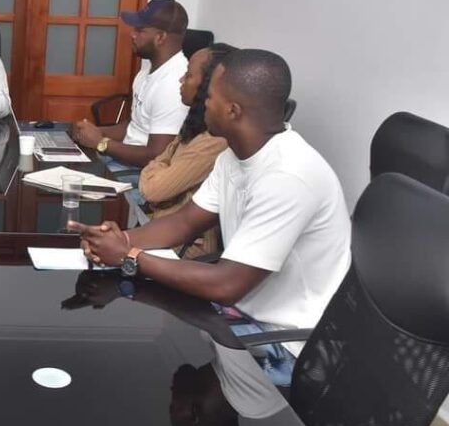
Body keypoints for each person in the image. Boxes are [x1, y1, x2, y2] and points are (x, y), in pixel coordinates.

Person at [71, 49, 351, 357]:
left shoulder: (289, 176)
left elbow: (226, 285)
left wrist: (129, 256)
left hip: (284, 342)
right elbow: (185, 222)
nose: (203, 101)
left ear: (233, 111)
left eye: (211, 96)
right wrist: (118, 239)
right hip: (240, 313)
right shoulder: (235, 155)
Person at [138, 43, 236, 257]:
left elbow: (153, 189)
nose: (181, 80)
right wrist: (160, 166)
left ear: (208, 86)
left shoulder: (213, 141)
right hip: (160, 230)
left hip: (185, 250)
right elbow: (161, 160)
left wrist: (158, 167)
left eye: (189, 75)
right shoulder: (196, 125)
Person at [72, 0, 190, 169]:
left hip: (140, 172)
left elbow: (157, 156)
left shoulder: (174, 84)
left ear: (160, 37)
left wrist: (101, 143)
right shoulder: (148, 70)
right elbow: (133, 126)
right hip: (120, 160)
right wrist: (91, 132)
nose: (132, 35)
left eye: (140, 30)